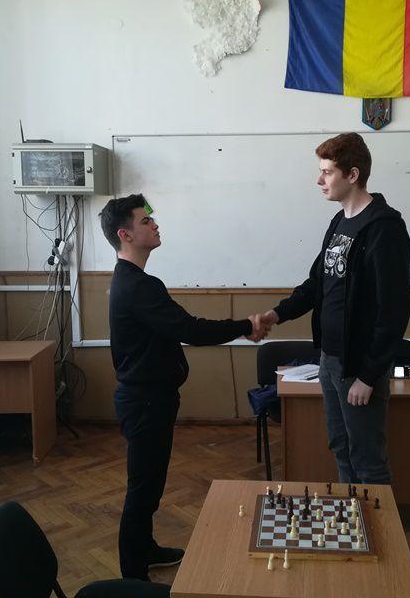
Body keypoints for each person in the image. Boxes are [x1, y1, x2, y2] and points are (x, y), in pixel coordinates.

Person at [99, 194, 267, 581]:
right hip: (144, 401)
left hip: (151, 398)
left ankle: (145, 549)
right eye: (145, 221)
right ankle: (133, 577)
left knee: (151, 482)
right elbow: (190, 329)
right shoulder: (138, 286)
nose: (155, 224)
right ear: (126, 234)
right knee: (142, 488)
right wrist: (245, 326)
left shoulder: (134, 281)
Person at [256, 132, 410, 485]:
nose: (319, 180)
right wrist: (276, 314)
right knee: (341, 448)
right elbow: (317, 284)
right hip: (329, 360)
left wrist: (369, 376)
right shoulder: (339, 222)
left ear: (352, 175)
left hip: (358, 365)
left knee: (367, 459)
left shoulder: (384, 228)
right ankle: (352, 517)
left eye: (327, 172)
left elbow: (394, 311)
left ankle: (375, 522)